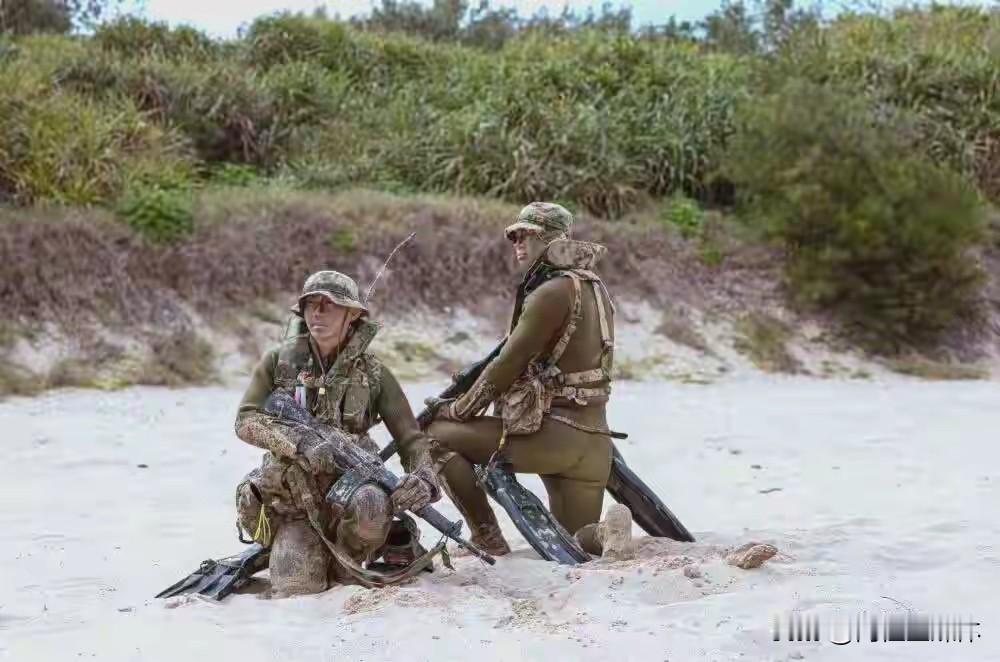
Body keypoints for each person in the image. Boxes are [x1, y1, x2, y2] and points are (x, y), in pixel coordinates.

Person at [427, 202, 629, 558]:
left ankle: (486, 536)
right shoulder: (596, 288)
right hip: (595, 445)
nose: (518, 243)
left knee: (433, 437)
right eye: (514, 236)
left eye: (527, 235)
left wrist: (457, 410)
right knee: (573, 539)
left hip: (553, 437)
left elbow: (507, 364)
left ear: (551, 239)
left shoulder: (551, 292)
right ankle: (605, 534)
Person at [232, 270, 441, 596]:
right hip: (297, 503)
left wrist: (423, 479)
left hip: (354, 499)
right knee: (297, 588)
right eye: (310, 304)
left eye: (329, 305)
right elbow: (246, 420)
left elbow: (411, 439)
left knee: (371, 508)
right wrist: (299, 443)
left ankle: (359, 552)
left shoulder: (374, 373)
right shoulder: (278, 362)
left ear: (352, 314)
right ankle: (303, 549)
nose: (317, 312)